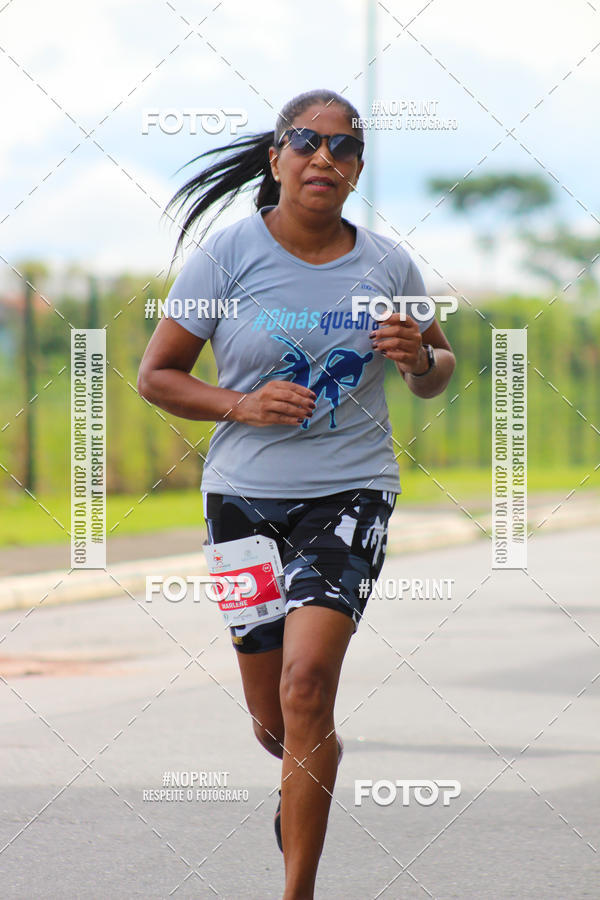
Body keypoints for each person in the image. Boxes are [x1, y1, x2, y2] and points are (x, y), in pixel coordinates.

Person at [137, 88, 456, 900]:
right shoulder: (227, 256)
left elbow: (435, 371)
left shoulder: (389, 263)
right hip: (241, 500)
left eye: (345, 148)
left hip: (351, 491)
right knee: (277, 720)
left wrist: (418, 357)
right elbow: (158, 376)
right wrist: (239, 403)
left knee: (309, 684)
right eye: (307, 143)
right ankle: (302, 785)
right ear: (277, 157)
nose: (326, 158)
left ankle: (297, 890)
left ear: (356, 173)